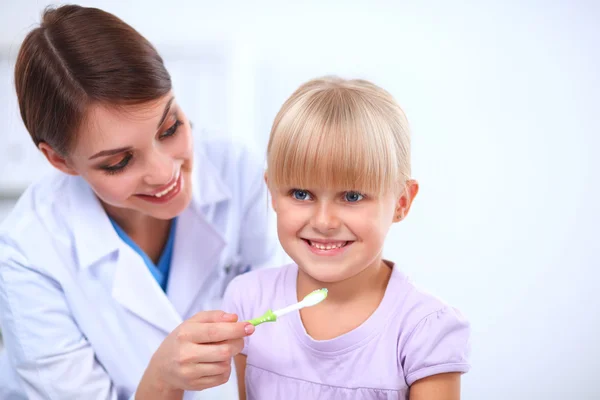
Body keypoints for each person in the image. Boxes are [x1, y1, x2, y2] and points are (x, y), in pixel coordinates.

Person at [0, 5, 284, 400]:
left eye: (169, 128)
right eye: (119, 162)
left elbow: (277, 337)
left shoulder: (238, 171)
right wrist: (163, 379)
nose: (164, 171)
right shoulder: (29, 252)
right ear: (60, 160)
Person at [222, 77, 472, 400]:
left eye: (352, 197)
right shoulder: (248, 302)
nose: (324, 221)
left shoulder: (424, 329)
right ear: (271, 192)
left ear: (401, 202)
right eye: (301, 194)